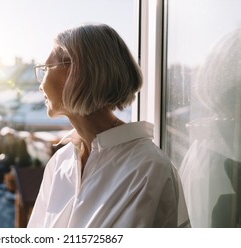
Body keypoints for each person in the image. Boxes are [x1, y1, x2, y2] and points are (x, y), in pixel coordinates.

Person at [27, 23, 189, 228]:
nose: (41, 85)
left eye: (46, 69)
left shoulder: (146, 169)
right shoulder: (61, 162)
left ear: (76, 72)